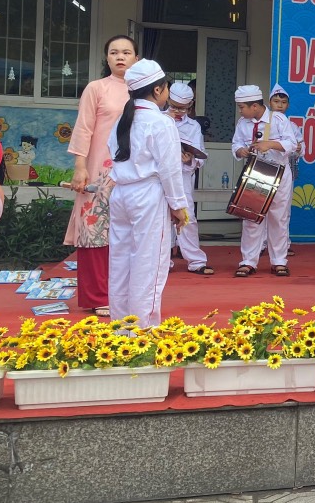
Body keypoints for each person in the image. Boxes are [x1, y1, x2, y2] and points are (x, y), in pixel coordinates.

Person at [106, 60, 189, 327]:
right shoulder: (161, 122)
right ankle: (143, 330)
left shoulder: (122, 120)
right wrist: (178, 206)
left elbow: (112, 155)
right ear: (157, 90)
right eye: (166, 88)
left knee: (120, 262)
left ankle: (121, 328)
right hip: (147, 194)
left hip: (121, 192)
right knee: (148, 263)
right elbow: (170, 170)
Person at [66, 35, 138, 316]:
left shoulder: (142, 91)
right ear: (106, 58)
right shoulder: (96, 88)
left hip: (132, 171)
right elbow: (83, 128)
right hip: (98, 169)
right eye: (114, 52)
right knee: (94, 231)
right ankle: (98, 296)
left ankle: (126, 293)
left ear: (136, 58)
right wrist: (80, 166)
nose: (120, 57)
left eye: (126, 52)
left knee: (128, 233)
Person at [232, 85, 296, 277]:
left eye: (242, 107)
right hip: (255, 173)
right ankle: (248, 261)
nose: (240, 111)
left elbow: (292, 144)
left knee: (278, 218)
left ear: (254, 106)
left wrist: (271, 144)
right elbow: (236, 143)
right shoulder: (242, 123)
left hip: (278, 173)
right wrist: (240, 150)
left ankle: (279, 261)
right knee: (251, 217)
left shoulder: (278, 119)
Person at [166, 81, 212, 275]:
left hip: (182, 176)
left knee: (187, 217)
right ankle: (162, 261)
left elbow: (200, 154)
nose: (178, 112)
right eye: (174, 107)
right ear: (167, 100)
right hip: (159, 175)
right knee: (161, 217)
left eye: (183, 108)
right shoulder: (158, 119)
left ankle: (196, 261)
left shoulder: (193, 126)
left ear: (190, 106)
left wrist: (189, 160)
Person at [267, 84, 302, 256]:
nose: (279, 105)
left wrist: (298, 150)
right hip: (264, 169)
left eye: (283, 102)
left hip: (285, 169)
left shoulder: (292, 126)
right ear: (269, 102)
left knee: (283, 210)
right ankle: (261, 244)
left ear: (288, 105)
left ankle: (283, 245)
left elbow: (299, 146)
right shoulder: (264, 122)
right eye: (276, 101)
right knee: (261, 207)